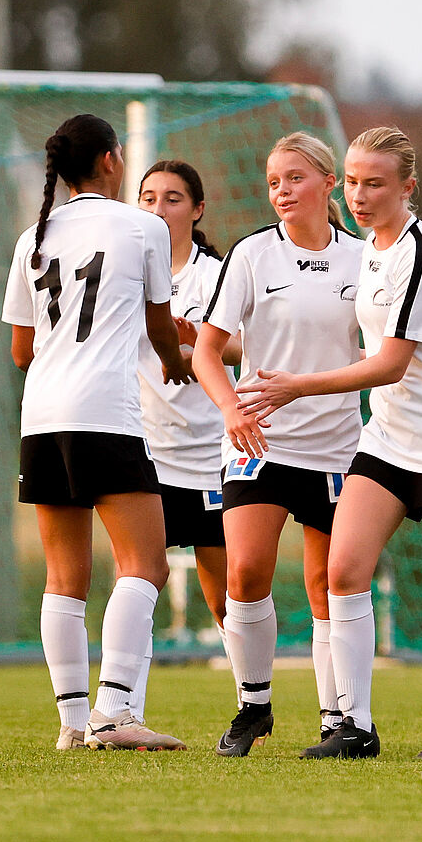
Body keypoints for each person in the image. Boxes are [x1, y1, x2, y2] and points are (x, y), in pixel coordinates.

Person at [234, 126, 422, 761]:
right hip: (387, 442)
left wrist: (297, 387)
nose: (358, 195)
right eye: (350, 181)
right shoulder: (369, 249)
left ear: (408, 187)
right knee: (343, 572)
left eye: (374, 183)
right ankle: (355, 727)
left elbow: (390, 364)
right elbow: (399, 342)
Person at [4, 113, 195, 752]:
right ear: (112, 160)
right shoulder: (142, 227)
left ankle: (70, 723)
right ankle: (115, 714)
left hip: (41, 419)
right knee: (145, 563)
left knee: (65, 576)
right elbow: (162, 327)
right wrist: (173, 363)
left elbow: (21, 350)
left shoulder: (33, 235)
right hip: (105, 415)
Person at [193, 133, 362, 756]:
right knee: (246, 570)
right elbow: (209, 351)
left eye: (294, 178)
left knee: (327, 584)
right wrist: (232, 408)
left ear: (328, 183)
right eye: (272, 181)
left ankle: (335, 719)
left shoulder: (364, 259)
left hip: (338, 450)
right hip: (258, 442)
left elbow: (400, 347)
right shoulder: (252, 255)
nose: (281, 191)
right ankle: (253, 706)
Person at [126, 159, 238, 722]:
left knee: (227, 599)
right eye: (147, 198)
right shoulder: (122, 273)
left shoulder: (218, 276)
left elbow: (251, 347)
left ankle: (250, 706)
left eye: (172, 199)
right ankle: (124, 711)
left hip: (214, 458)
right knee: (140, 583)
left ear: (196, 211)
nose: (158, 209)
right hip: (146, 456)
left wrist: (200, 348)